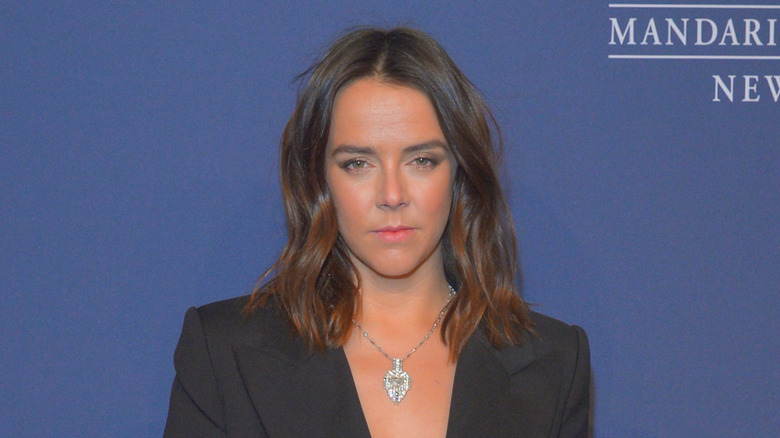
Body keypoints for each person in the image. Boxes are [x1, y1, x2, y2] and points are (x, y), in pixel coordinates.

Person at [164, 27, 590, 438]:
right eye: (358, 163)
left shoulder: (554, 362)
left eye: (421, 160)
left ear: (460, 173)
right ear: (319, 181)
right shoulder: (224, 354)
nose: (392, 195)